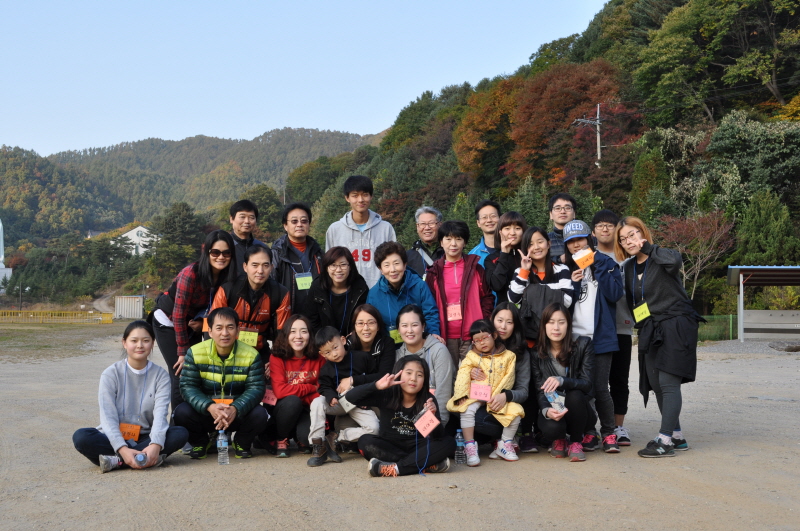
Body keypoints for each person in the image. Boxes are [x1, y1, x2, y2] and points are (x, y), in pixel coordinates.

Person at [616, 217, 703, 458]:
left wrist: (648, 248)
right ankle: (677, 436)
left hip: (676, 323)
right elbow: (634, 301)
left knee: (668, 381)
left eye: (632, 235)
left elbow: (675, 262)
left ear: (642, 233)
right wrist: (641, 324)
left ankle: (664, 440)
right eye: (623, 239)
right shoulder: (629, 267)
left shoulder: (662, 256)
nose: (628, 241)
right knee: (654, 382)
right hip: (651, 328)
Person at [72, 321, 189, 472]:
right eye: (134, 340)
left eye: (145, 340)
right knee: (81, 436)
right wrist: (122, 448)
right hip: (113, 437)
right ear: (124, 343)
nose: (140, 345)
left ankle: (116, 461)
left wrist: (155, 444)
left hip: (146, 437)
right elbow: (108, 417)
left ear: (152, 343)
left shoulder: (161, 375)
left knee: (179, 433)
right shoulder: (110, 374)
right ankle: (143, 458)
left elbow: (160, 415)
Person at [151, 230, 237, 413]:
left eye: (226, 253)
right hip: (169, 321)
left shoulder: (228, 276)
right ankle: (178, 423)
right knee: (181, 372)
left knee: (197, 373)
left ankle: (195, 420)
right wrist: (182, 351)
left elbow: (217, 310)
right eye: (215, 252)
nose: (221, 257)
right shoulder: (191, 273)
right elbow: (178, 313)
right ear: (206, 252)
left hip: (193, 324)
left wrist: (203, 324)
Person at [173, 307, 268, 459]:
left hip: (236, 413)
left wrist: (236, 408)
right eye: (219, 328)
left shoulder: (251, 354)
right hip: (207, 412)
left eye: (230, 327)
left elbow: (256, 388)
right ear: (210, 331)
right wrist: (209, 406)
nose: (225, 333)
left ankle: (241, 443)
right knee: (181, 412)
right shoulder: (195, 352)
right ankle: (201, 443)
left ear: (237, 331)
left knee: (260, 414)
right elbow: (188, 387)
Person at [563, 220, 624, 453]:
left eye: (580, 239)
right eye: (571, 242)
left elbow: (614, 294)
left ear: (590, 239)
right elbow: (564, 306)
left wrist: (596, 263)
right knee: (581, 390)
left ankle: (609, 433)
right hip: (574, 340)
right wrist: (573, 283)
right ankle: (589, 431)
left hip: (601, 337)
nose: (576, 245)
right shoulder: (565, 267)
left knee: (600, 388)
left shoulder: (606, 263)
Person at [350, 356, 456, 477]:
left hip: (418, 447)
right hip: (390, 446)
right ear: (399, 374)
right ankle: (423, 464)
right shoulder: (386, 394)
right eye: (409, 373)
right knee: (365, 441)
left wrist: (432, 416)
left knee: (449, 442)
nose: (413, 379)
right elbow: (350, 397)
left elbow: (438, 436)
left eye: (419, 375)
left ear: (425, 380)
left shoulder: (428, 399)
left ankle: (396, 468)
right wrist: (376, 385)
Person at [447, 320, 525, 466]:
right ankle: (470, 446)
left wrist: (497, 395)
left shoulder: (509, 356)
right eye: (476, 340)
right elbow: (462, 375)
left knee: (516, 412)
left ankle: (505, 444)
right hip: (475, 395)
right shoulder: (471, 356)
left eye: (485, 338)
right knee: (466, 410)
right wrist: (461, 394)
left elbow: (508, 378)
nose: (481, 342)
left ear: (494, 336)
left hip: (496, 397)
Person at [306, 326, 380, 467]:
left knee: (375, 429)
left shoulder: (362, 358)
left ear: (343, 340)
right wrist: (331, 397)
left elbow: (375, 378)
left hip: (358, 403)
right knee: (317, 402)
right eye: (328, 352)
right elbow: (324, 386)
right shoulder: (326, 369)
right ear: (322, 354)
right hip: (338, 403)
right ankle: (318, 445)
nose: (334, 354)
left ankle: (336, 437)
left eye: (335, 348)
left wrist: (367, 398)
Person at [532, 303, 596, 463]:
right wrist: (546, 410)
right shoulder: (537, 353)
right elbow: (540, 389)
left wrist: (562, 380)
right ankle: (559, 439)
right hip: (554, 406)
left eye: (561, 322)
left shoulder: (583, 344)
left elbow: (587, 384)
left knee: (574, 395)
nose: (556, 328)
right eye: (551, 322)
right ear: (544, 325)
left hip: (580, 409)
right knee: (552, 429)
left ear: (568, 324)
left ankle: (575, 442)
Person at [210, 244, 291, 370]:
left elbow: (282, 333)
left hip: (259, 351)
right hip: (227, 350)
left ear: (271, 267)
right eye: (255, 265)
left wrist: (277, 358)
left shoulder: (280, 293)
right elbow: (211, 325)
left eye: (265, 265)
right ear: (245, 267)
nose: (260, 271)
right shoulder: (228, 289)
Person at [592, 209, 634, 446]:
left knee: (619, 379)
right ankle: (590, 426)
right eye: (600, 225)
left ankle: (618, 427)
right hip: (596, 329)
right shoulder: (587, 256)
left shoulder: (628, 256)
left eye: (610, 225)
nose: (605, 229)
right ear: (593, 231)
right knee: (594, 381)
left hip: (622, 326)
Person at [425, 220, 493, 366]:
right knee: (448, 375)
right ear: (441, 242)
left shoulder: (476, 268)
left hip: (473, 335)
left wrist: (482, 324)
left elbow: (487, 297)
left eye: (458, 239)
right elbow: (428, 304)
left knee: (476, 373)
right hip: (445, 336)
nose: (453, 244)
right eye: (448, 239)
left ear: (465, 242)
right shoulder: (433, 272)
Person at [261, 315, 325, 458]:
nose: (298, 336)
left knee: (308, 440)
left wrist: (307, 393)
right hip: (284, 408)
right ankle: (281, 438)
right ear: (286, 335)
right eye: (293, 331)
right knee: (292, 401)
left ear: (310, 335)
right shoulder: (277, 357)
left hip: (307, 407)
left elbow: (322, 390)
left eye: (304, 331)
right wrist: (310, 388)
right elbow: (280, 391)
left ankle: (298, 437)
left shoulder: (319, 358)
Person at [325, 175, 396, 288]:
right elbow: (329, 265)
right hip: (346, 292)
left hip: (379, 292)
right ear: (347, 198)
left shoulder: (386, 228)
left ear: (371, 196)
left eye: (365, 194)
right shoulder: (335, 230)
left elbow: (393, 263)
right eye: (355, 195)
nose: (360, 200)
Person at [366, 241, 441, 345]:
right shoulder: (374, 295)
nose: (393, 270)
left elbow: (430, 313)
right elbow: (371, 322)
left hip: (419, 344)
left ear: (405, 265)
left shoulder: (419, 286)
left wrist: (433, 334)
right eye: (386, 265)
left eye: (396, 263)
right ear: (380, 269)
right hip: (389, 347)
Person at [507, 227, 573, 342]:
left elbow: (567, 301)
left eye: (540, 242)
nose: (536, 247)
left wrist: (531, 292)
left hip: (556, 334)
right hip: (529, 336)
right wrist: (524, 271)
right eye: (530, 244)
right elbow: (513, 300)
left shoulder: (562, 269)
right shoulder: (520, 272)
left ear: (548, 244)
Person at [394, 304, 454, 426]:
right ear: (398, 329)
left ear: (423, 327)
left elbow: (443, 394)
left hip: (435, 418)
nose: (409, 330)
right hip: (405, 418)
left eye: (414, 325)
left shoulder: (438, 351)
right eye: (404, 326)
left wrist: (436, 426)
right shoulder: (397, 355)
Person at [271, 202, 323, 316]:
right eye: (294, 221)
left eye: (304, 221)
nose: (299, 224)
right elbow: (272, 288)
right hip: (287, 315)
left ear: (309, 224)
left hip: (315, 316)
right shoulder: (277, 253)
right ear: (285, 225)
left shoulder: (318, 252)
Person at [306, 246, 369, 337]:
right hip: (325, 340)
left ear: (350, 266)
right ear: (326, 267)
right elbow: (312, 320)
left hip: (353, 340)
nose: (338, 270)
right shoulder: (317, 286)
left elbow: (364, 318)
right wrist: (326, 340)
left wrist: (352, 338)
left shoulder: (360, 287)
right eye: (333, 265)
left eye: (343, 265)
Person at [345, 304, 397, 385]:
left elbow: (385, 376)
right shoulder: (347, 345)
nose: (366, 328)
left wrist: (353, 380)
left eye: (371, 323)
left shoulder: (386, 343)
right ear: (355, 326)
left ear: (378, 326)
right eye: (360, 323)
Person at [484, 211, 528, 298]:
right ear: (500, 232)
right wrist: (504, 254)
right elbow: (496, 286)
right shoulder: (491, 259)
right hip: (505, 305)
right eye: (507, 228)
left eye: (517, 228)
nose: (512, 233)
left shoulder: (529, 255)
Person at [406, 206, 444, 278]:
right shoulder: (408, 256)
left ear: (440, 225)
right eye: (423, 224)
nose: (427, 228)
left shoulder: (450, 252)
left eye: (431, 223)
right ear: (417, 227)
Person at [229, 199, 264, 271]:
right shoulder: (225, 246)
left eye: (251, 218)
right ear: (231, 219)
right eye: (242, 217)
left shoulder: (262, 248)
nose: (247, 221)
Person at [468, 200, 501, 267]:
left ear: (500, 219)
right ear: (478, 223)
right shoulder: (473, 256)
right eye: (484, 217)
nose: (489, 220)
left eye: (493, 216)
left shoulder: (512, 249)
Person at [548, 193, 577, 264]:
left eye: (567, 208)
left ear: (574, 214)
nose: (563, 211)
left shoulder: (585, 238)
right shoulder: (545, 240)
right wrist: (559, 259)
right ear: (551, 214)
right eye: (558, 208)